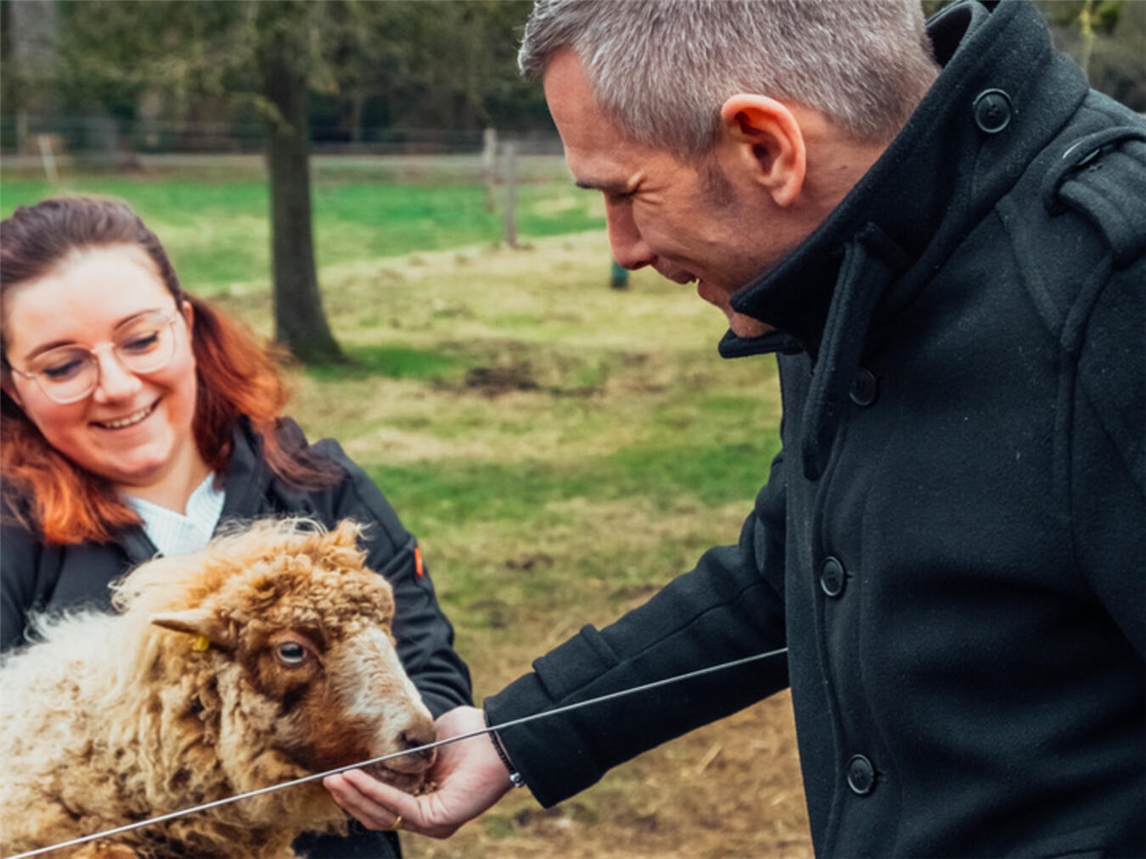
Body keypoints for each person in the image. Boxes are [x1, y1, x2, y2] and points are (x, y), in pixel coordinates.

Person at [324, 0, 1145, 855]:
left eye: (625, 192)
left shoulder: (1115, 284)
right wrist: (517, 732)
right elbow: (790, 565)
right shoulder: (841, 255)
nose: (623, 249)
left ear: (767, 146)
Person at [0, 195, 474, 859]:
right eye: (62, 365)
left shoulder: (319, 485)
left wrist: (392, 735)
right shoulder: (11, 537)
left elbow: (425, 661)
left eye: (140, 339)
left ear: (187, 326)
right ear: (13, 384)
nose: (116, 384)